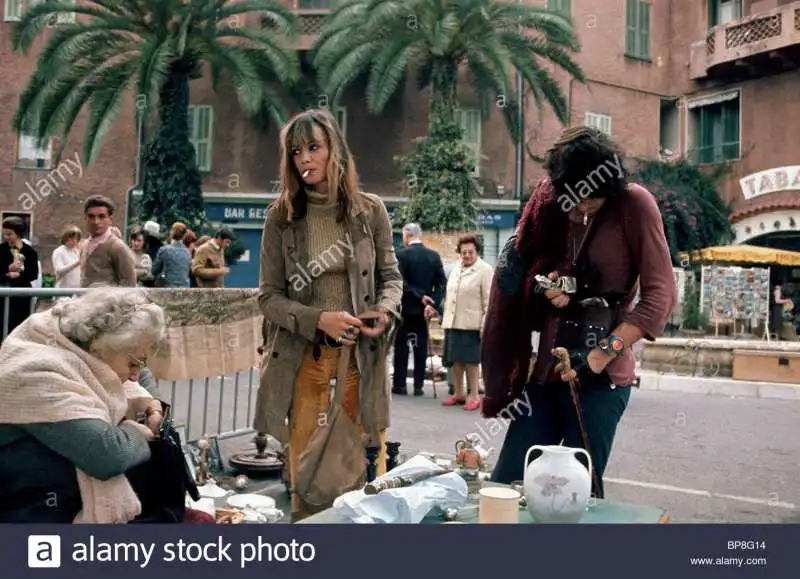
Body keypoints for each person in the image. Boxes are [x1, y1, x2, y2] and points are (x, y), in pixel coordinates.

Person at [482, 126, 676, 498]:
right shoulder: (550, 205)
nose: (579, 209)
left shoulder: (635, 205)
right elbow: (530, 275)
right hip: (546, 375)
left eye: (591, 199)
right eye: (572, 198)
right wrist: (548, 289)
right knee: (507, 485)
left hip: (602, 381)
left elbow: (660, 296)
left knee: (572, 495)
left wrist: (602, 355)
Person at [254, 108, 402, 521]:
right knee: (307, 470)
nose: (304, 159)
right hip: (305, 363)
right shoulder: (280, 217)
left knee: (352, 471)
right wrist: (319, 319)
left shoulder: (369, 211)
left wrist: (384, 311)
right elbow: (268, 297)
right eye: (296, 151)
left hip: (360, 363)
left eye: (314, 147)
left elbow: (392, 277)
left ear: (335, 149)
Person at [0, 287, 213, 523]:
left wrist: (153, 404)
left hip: (60, 496)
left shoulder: (78, 343)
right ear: (98, 350)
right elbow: (108, 455)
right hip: (34, 511)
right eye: (133, 363)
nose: (135, 375)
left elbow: (142, 376)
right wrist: (138, 433)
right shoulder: (36, 373)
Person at [392, 222, 447, 396]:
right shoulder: (434, 256)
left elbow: (400, 283)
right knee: (420, 347)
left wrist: (417, 295)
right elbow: (441, 284)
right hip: (424, 312)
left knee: (402, 347)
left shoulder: (400, 255)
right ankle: (418, 385)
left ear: (407, 235)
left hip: (405, 309)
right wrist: (433, 304)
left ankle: (400, 385)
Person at [440, 233, 493, 411]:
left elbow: (489, 301)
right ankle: (458, 393)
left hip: (472, 323)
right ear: (459, 253)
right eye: (464, 252)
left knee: (471, 362)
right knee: (455, 360)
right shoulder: (456, 268)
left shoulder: (485, 270)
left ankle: (474, 396)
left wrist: (484, 325)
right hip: (454, 321)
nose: (467, 256)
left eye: (470, 252)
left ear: (477, 252)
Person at [80, 195, 137, 287]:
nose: (96, 221)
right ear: (85, 218)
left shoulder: (117, 247)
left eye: (101, 216)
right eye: (91, 216)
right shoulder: (84, 244)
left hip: (109, 300)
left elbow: (129, 284)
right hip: (84, 299)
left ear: (110, 219)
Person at [0, 216, 40, 341]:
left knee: (18, 329)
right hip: (3, 298)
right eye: (4, 234)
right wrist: (7, 271)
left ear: (18, 233)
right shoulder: (0, 250)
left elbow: (34, 273)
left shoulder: (29, 252)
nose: (6, 237)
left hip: (21, 299)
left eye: (9, 234)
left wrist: (20, 274)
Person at [151, 222, 193, 288]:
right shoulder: (188, 252)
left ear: (171, 232)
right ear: (184, 235)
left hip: (167, 288)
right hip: (185, 288)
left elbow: (154, 270)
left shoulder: (164, 250)